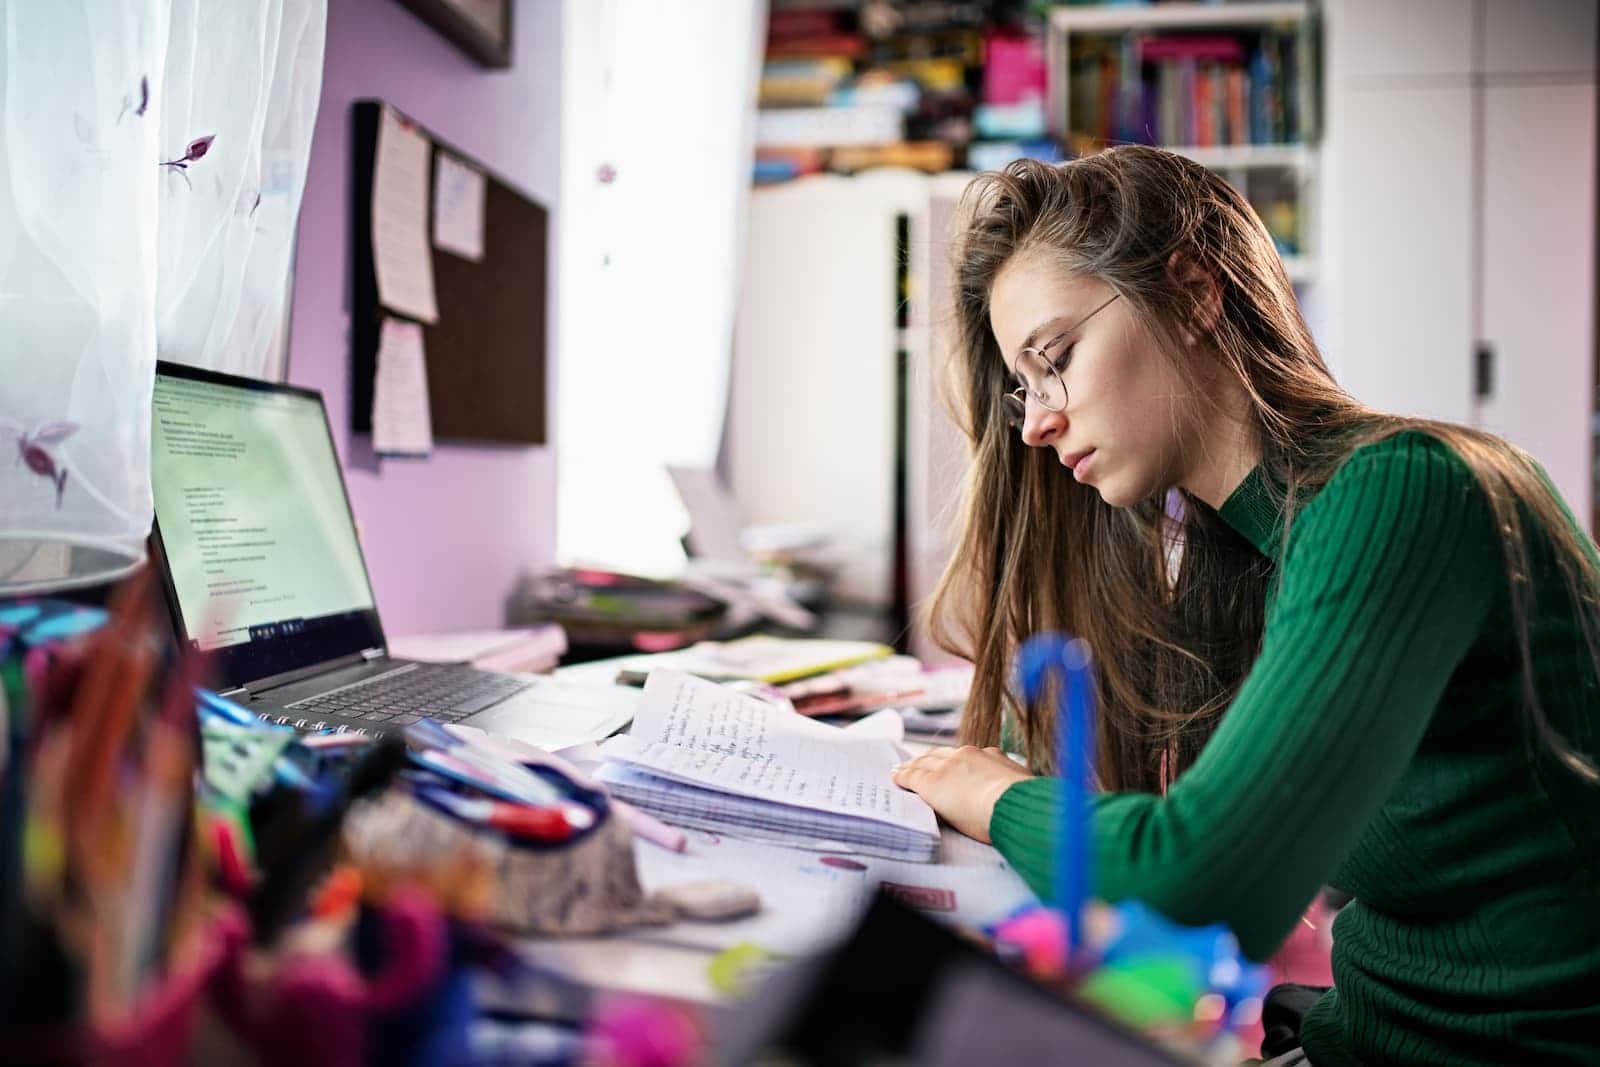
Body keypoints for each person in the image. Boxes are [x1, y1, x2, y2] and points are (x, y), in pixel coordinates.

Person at [890, 147, 1600, 1066]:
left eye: (1055, 360)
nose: (1034, 422)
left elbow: (1203, 882)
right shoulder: (1251, 548)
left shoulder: (1403, 492)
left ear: (1193, 292)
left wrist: (994, 793)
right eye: (1024, 388)